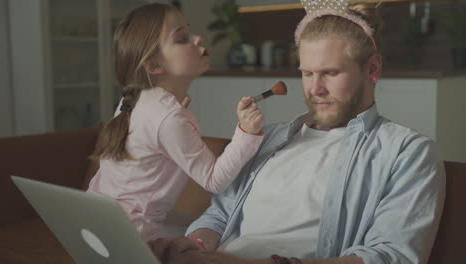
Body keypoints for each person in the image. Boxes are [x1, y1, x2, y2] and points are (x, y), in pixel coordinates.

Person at [152, 1, 445, 264]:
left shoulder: (407, 152)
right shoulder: (267, 139)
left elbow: (389, 258)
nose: (315, 89)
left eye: (330, 73)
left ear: (372, 67)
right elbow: (219, 215)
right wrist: (194, 248)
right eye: (307, 73)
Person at [87, 3, 265, 242]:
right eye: (182, 38)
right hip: (131, 238)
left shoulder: (134, 100)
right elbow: (214, 180)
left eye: (189, 31)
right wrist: (246, 132)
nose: (198, 38)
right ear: (155, 66)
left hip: (96, 223)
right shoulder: (169, 119)